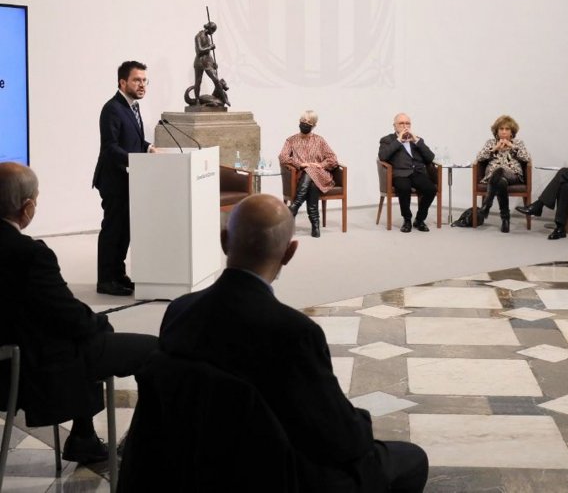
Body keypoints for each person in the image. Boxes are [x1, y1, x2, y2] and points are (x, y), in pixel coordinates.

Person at [160, 194, 429, 492]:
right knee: (411, 459)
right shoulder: (294, 332)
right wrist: (361, 424)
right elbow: (339, 437)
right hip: (273, 473)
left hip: (186, 464)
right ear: (289, 252)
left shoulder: (180, 310)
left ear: (225, 241)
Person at [0, 162, 158, 464]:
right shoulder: (29, 254)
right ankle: (141, 446)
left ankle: (84, 436)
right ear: (27, 207)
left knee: (87, 333)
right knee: (152, 350)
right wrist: (99, 323)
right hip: (33, 366)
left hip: (10, 354)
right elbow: (70, 317)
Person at [93, 61, 156, 296]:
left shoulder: (132, 107)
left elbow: (133, 140)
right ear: (122, 82)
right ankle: (105, 280)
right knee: (113, 229)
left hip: (129, 179)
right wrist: (136, 159)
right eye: (137, 80)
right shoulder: (112, 108)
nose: (142, 85)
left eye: (144, 80)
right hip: (113, 180)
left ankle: (118, 275)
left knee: (125, 230)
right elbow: (110, 147)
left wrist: (148, 148)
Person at [278, 110, 339, 238]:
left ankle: (295, 206)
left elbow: (333, 159)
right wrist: (300, 164)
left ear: (314, 125)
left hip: (321, 176)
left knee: (311, 170)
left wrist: (321, 165)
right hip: (300, 176)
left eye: (309, 122)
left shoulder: (319, 140)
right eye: (303, 121)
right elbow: (283, 157)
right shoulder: (291, 140)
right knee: (311, 181)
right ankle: (315, 227)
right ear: (299, 121)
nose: (305, 124)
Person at [378, 113, 437, 233]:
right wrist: (398, 140)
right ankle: (407, 220)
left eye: (407, 123)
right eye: (401, 123)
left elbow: (430, 157)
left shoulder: (417, 140)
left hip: (417, 173)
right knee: (404, 188)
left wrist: (417, 141)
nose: (405, 126)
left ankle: (419, 219)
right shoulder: (387, 140)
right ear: (394, 126)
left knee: (431, 189)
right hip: (400, 173)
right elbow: (382, 156)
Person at [475, 115, 531, 233]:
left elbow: (527, 158)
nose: (504, 132)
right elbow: (479, 158)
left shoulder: (518, 143)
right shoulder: (490, 142)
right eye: (501, 129)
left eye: (507, 129)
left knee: (500, 170)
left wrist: (513, 147)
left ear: (512, 132)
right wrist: (494, 149)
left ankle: (487, 205)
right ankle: (505, 219)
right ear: (497, 131)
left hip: (513, 174)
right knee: (500, 181)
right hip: (492, 175)